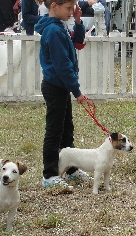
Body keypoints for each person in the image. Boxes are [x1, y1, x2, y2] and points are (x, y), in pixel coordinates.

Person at [34, 0, 90, 189]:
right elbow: (63, 66)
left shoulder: (60, 26)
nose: (71, 11)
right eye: (68, 8)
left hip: (61, 86)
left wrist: (78, 21)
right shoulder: (54, 31)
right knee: (54, 131)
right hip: (55, 87)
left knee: (67, 129)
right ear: (54, 6)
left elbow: (77, 42)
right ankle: (49, 174)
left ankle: (71, 169)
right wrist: (77, 91)